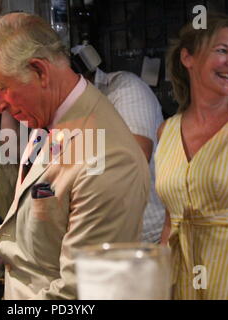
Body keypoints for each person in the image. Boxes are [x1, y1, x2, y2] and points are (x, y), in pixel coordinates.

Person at [0, 12, 150, 299]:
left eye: (0, 89)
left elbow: (80, 294)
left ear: (40, 71)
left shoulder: (107, 157)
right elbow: (46, 221)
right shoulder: (49, 119)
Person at [155, 13, 228, 299]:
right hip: (182, 285)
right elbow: (171, 223)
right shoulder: (166, 131)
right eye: (222, 50)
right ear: (188, 58)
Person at [72, 43, 165, 243]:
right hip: (100, 241)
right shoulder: (59, 113)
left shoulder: (124, 88)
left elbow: (134, 159)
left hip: (147, 238)